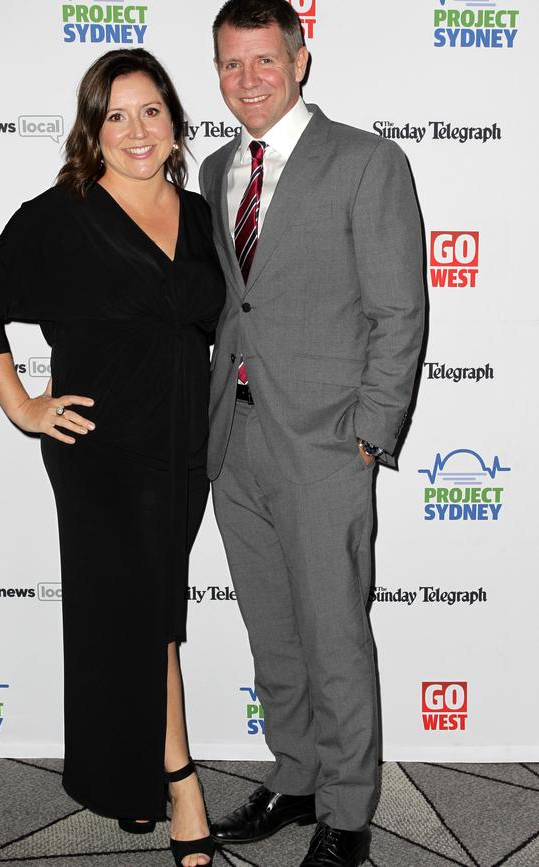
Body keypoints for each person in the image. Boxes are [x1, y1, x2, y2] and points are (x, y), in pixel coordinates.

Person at [0, 48, 224, 867]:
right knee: (155, 622)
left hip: (186, 449)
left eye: (150, 111)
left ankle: (128, 783)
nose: (135, 130)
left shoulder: (204, 213)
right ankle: (179, 783)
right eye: (115, 115)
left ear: (174, 122)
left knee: (137, 617)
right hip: (103, 455)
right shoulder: (60, 214)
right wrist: (26, 408)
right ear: (92, 129)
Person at [199, 2, 425, 865]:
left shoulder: (368, 162)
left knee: (335, 634)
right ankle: (296, 778)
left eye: (263, 60)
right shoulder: (219, 165)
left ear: (300, 60)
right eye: (229, 64)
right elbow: (233, 303)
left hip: (327, 443)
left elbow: (399, 310)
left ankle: (348, 811)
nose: (247, 79)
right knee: (272, 629)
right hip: (236, 438)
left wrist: (370, 431)